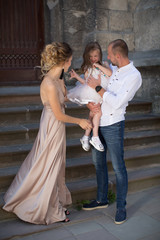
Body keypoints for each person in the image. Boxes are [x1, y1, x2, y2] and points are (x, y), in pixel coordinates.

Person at [2, 42, 92, 225]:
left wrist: (85, 99)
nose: (71, 64)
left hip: (57, 125)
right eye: (70, 60)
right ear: (65, 61)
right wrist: (80, 121)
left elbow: (64, 98)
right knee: (49, 164)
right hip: (52, 124)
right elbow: (58, 114)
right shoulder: (49, 83)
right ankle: (46, 209)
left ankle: (56, 204)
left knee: (57, 165)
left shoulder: (58, 78)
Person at [82, 39, 142, 224]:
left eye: (109, 54)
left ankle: (121, 207)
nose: (106, 57)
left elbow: (116, 102)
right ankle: (101, 199)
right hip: (98, 123)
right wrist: (90, 103)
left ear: (118, 55)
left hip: (114, 125)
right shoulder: (113, 70)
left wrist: (97, 88)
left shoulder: (133, 76)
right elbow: (99, 89)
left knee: (118, 167)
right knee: (98, 163)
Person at [67, 42, 112, 152]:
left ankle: (86, 136)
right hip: (93, 92)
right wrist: (77, 77)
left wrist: (98, 66)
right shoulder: (88, 68)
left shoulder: (104, 64)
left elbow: (109, 73)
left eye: (95, 56)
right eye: (90, 57)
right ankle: (95, 137)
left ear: (100, 55)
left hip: (101, 91)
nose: (93, 59)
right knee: (98, 113)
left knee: (92, 114)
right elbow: (85, 82)